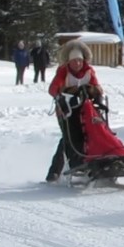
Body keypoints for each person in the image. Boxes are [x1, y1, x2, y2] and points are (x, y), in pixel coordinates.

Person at [45, 41, 104, 182]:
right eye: (74, 61)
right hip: (66, 111)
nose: (77, 63)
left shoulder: (89, 71)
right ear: (69, 62)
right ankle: (60, 170)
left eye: (79, 60)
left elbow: (97, 88)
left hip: (86, 110)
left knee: (95, 131)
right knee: (69, 136)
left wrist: (97, 95)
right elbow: (53, 89)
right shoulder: (63, 71)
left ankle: (97, 159)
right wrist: (61, 94)